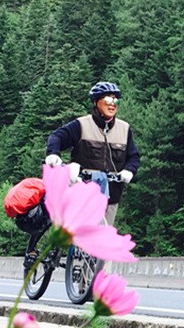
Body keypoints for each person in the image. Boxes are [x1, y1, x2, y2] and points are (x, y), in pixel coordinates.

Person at [44, 81, 140, 226]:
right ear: (95, 102)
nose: (112, 104)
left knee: (102, 237)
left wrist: (129, 170)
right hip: (82, 196)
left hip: (111, 199)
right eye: (108, 99)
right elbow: (57, 137)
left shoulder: (124, 129)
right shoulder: (81, 125)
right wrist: (53, 154)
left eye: (115, 100)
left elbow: (133, 156)